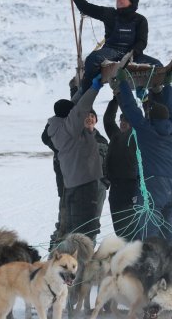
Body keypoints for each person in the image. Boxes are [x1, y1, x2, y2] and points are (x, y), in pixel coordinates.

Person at [62, 0, 162, 94]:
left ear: (132, 1)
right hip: (111, 51)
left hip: (132, 54)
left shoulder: (140, 20)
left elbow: (142, 42)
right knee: (92, 59)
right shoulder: (109, 14)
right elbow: (86, 7)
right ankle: (86, 91)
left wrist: (132, 53)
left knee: (158, 66)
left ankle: (154, 96)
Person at [113, 71, 172, 242]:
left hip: (152, 186)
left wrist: (123, 83)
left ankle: (150, 267)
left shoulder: (146, 131)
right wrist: (167, 87)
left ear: (151, 116)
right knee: (169, 233)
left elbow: (130, 108)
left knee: (148, 235)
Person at [47, 76, 105, 243]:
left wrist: (80, 90)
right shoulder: (70, 128)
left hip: (72, 184)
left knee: (72, 226)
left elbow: (75, 107)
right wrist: (94, 88)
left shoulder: (56, 126)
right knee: (85, 227)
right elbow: (81, 107)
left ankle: (65, 259)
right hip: (84, 184)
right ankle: (79, 262)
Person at [103, 97, 139, 239]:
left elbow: (135, 117)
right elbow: (108, 120)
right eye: (121, 120)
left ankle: (136, 256)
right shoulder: (116, 135)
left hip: (131, 187)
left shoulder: (136, 136)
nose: (123, 123)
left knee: (133, 227)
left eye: (127, 121)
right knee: (119, 228)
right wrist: (115, 100)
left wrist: (123, 96)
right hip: (115, 187)